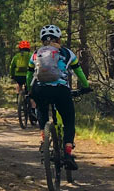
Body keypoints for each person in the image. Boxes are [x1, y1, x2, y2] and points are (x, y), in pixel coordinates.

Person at [30, 25, 91, 169]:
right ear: (58, 38)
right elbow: (79, 72)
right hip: (61, 90)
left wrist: (29, 90)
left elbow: (29, 74)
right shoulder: (67, 53)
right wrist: (86, 86)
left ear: (43, 40)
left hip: (40, 89)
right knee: (69, 119)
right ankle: (68, 152)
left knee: (42, 112)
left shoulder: (35, 54)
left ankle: (44, 140)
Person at [8, 40, 34, 113]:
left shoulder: (16, 56)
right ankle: (30, 101)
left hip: (18, 76)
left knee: (19, 85)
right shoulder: (31, 55)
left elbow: (12, 66)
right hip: (29, 75)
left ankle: (18, 98)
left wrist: (12, 75)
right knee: (29, 89)